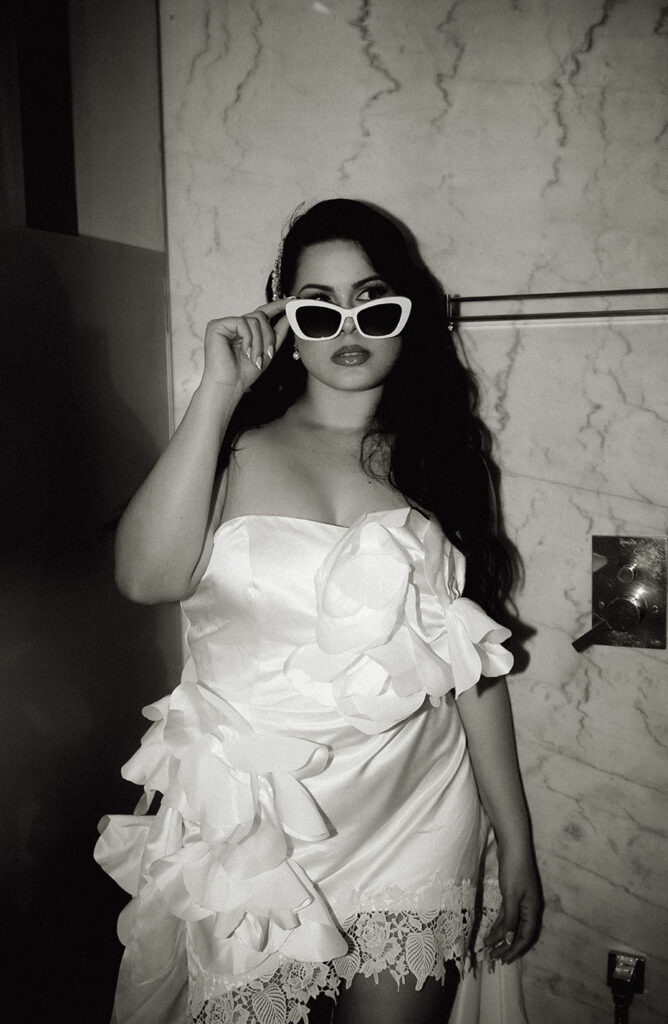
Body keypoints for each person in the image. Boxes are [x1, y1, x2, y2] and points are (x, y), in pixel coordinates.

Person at [96, 198, 541, 1024]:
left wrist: (515, 843)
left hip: (418, 813)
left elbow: (472, 670)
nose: (348, 325)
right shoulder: (231, 447)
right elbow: (143, 579)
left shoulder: (442, 460)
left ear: (407, 318)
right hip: (262, 833)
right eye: (317, 304)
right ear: (283, 317)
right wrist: (216, 391)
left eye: (373, 303)